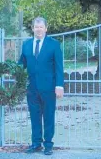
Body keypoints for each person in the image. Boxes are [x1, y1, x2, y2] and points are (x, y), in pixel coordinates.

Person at [18, 17, 64, 156]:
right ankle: (36, 144)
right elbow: (22, 63)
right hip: (31, 88)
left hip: (49, 88)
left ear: (46, 28)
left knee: (48, 116)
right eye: (36, 27)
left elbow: (59, 67)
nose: (38, 29)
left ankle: (48, 145)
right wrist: (11, 69)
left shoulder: (54, 44)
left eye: (41, 27)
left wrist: (59, 86)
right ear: (32, 28)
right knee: (34, 116)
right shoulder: (26, 44)